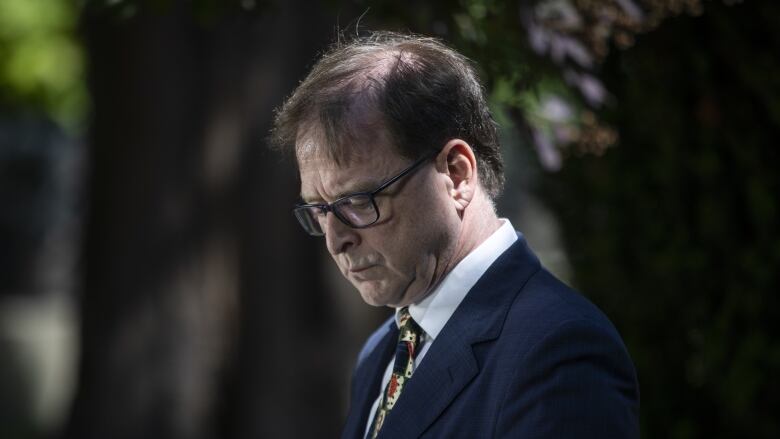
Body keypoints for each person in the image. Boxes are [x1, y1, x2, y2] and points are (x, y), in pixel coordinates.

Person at [271, 31, 639, 439]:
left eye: (358, 201)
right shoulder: (381, 351)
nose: (335, 240)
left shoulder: (557, 348)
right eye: (320, 211)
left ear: (457, 174)